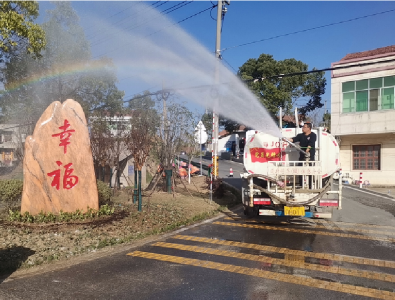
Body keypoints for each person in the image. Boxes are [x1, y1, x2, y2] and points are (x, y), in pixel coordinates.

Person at [286, 123, 316, 188]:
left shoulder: (313, 135)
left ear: (309, 128)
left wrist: (307, 150)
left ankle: (311, 186)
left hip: (310, 157)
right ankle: (301, 185)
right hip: (302, 156)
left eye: (304, 127)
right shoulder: (300, 135)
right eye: (302, 127)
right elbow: (294, 139)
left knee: (310, 171)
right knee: (300, 169)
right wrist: (287, 139)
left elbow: (311, 143)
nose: (302, 128)